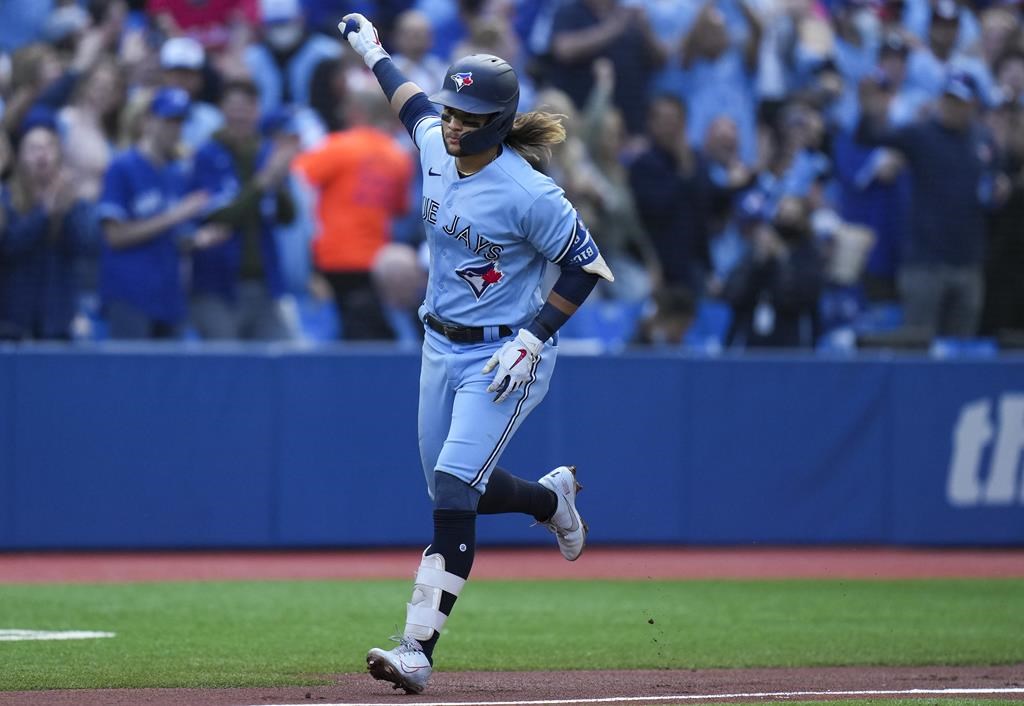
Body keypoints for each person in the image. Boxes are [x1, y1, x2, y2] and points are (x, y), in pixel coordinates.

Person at [338, 12, 615, 694]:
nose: (453, 123)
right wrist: (373, 50)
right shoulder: (436, 141)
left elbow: (586, 267)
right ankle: (550, 503)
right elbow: (409, 100)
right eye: (453, 109)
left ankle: (416, 648)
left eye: (469, 115)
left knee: (454, 491)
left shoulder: (529, 192)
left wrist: (534, 336)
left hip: (503, 357)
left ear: (496, 122)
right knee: (450, 485)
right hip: (439, 344)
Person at [293, 83, 414, 340]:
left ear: (356, 111)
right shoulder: (399, 156)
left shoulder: (338, 146)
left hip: (331, 255)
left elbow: (297, 178)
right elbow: (400, 208)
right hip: (376, 258)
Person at [96, 87, 214, 339]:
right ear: (147, 121)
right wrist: (176, 215)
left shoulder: (176, 173)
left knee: (169, 378)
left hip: (169, 296)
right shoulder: (122, 166)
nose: (176, 128)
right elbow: (114, 236)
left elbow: (174, 237)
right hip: (130, 295)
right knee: (130, 376)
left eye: (181, 121)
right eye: (169, 120)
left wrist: (197, 239)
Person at [189, 78, 301, 340]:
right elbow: (218, 215)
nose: (240, 114)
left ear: (256, 111)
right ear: (221, 110)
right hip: (217, 284)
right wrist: (264, 181)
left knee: (277, 364)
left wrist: (280, 182)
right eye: (233, 107)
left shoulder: (265, 151)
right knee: (226, 366)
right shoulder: (206, 155)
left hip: (264, 281)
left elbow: (287, 216)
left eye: (246, 107)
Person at [0, 109, 98, 340]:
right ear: (20, 156)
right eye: (33, 148)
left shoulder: (73, 201)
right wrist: (44, 213)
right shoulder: (6, 199)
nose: (42, 155)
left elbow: (87, 246)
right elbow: (9, 247)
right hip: (13, 319)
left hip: (58, 319)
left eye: (48, 147)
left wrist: (66, 210)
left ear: (59, 154)